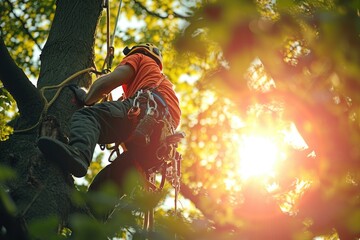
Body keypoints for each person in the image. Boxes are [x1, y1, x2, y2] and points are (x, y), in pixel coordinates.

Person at [37, 43, 181, 178]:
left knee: (88, 117)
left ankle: (78, 153)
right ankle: (92, 205)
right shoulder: (163, 87)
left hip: (147, 111)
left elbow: (108, 82)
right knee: (103, 188)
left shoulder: (141, 58)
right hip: (157, 148)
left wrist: (87, 97)